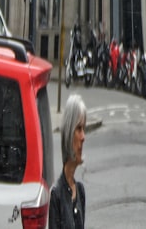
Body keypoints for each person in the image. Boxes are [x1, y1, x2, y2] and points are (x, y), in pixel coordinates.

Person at [50, 94, 87, 229]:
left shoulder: (80, 191)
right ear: (69, 134)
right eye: (79, 129)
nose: (83, 137)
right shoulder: (56, 194)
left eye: (84, 129)